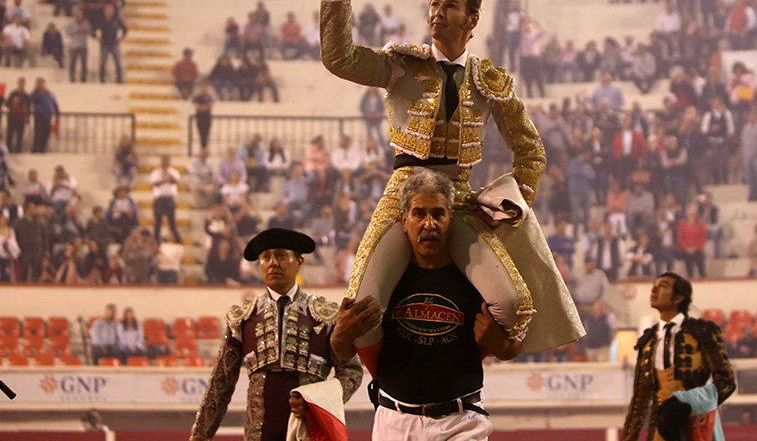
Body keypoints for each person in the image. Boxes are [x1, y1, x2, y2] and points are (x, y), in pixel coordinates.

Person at [319, 0, 579, 372]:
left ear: (473, 19)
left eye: (450, 6)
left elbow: (531, 151)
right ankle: (388, 379)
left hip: (458, 198)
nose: (438, 12)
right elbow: (340, 58)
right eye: (434, 4)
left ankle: (459, 369)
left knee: (512, 304)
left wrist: (510, 203)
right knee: (363, 308)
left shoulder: (490, 80)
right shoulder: (401, 64)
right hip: (403, 195)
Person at [329, 170, 524, 441]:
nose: (429, 224)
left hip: (461, 422)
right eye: (419, 214)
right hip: (394, 421)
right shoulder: (385, 281)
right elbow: (342, 350)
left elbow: (513, 346)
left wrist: (500, 343)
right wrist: (340, 334)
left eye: (438, 214)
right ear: (404, 221)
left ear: (451, 219)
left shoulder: (478, 279)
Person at [189, 228, 363, 441]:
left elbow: (351, 371)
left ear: (299, 261)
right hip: (259, 433)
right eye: (265, 257)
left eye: (281, 255)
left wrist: (318, 401)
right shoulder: (243, 318)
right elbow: (221, 381)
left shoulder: (325, 315)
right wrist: (201, 434)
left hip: (310, 430)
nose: (273, 263)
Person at [623, 273, 735, 441]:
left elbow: (726, 381)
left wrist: (690, 402)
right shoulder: (647, 340)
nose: (654, 290)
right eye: (654, 286)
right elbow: (640, 401)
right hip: (661, 429)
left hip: (695, 424)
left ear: (678, 298)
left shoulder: (702, 332)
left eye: (663, 286)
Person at [149, 154, 181, 244]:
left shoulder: (174, 172)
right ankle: (156, 241)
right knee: (158, 221)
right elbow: (154, 184)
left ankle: (177, 240)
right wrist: (164, 179)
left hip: (169, 198)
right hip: (159, 198)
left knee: (172, 221)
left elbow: (176, 181)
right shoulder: (156, 172)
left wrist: (168, 175)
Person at [94, 4, 127, 84]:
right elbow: (95, 29)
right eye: (107, 10)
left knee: (117, 62)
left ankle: (119, 79)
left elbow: (125, 29)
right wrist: (97, 37)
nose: (108, 11)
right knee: (103, 62)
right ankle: (102, 79)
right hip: (104, 43)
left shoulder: (116, 19)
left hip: (114, 43)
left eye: (110, 10)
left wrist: (121, 38)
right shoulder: (101, 20)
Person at [30, 78, 59, 154]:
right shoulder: (35, 93)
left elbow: (54, 103)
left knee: (47, 132)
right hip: (39, 115)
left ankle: (43, 148)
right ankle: (36, 149)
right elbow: (30, 100)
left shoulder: (49, 93)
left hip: (48, 116)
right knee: (38, 132)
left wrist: (57, 113)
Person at [192, 81, 214, 150]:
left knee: (207, 133)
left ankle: (205, 148)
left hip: (207, 117)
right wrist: (204, 108)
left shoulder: (209, 97)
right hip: (200, 117)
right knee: (201, 133)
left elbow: (210, 106)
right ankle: (202, 148)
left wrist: (202, 107)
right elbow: (197, 106)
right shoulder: (197, 97)